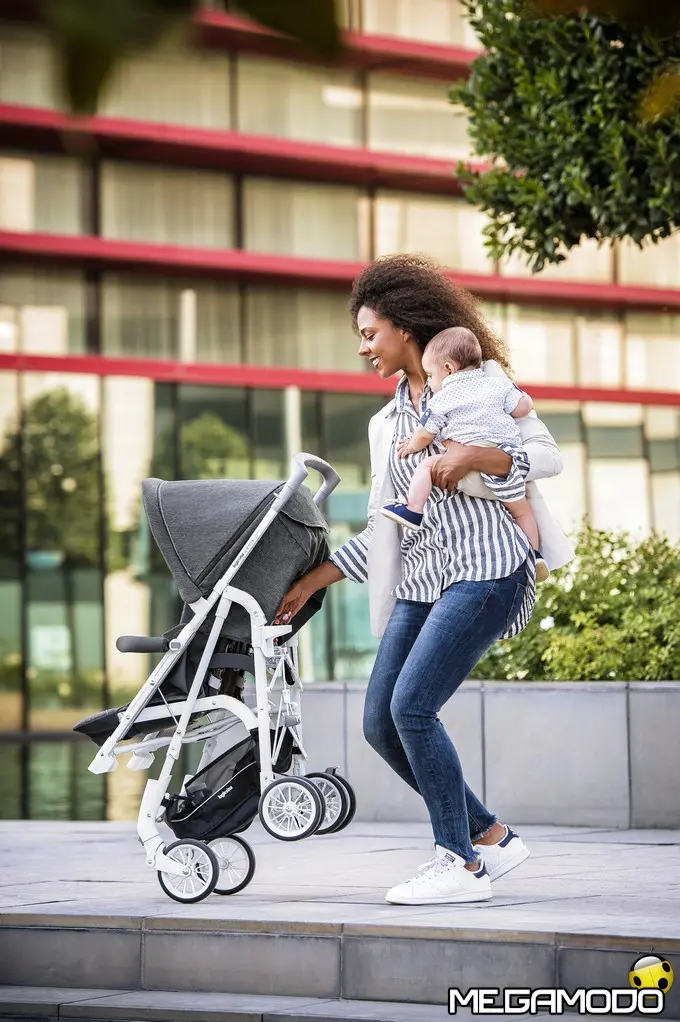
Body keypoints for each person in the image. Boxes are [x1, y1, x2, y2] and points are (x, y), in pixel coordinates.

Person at [275, 254, 574, 906]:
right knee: (381, 723)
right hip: (421, 581)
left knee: (412, 707)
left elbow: (545, 457)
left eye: (370, 332)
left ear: (405, 325)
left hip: (488, 570)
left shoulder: (483, 383)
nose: (363, 348)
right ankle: (489, 834)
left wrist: (476, 455)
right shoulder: (388, 424)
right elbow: (388, 526)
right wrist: (311, 582)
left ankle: (459, 863)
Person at [380, 325, 550, 583]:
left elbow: (426, 432)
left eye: (431, 375)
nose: (430, 382)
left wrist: (411, 446)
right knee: (523, 513)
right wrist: (517, 394)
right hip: (503, 471)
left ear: (448, 368)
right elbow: (523, 408)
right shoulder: (497, 386)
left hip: (468, 477)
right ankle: (534, 556)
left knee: (427, 465)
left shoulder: (442, 398)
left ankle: (413, 509)